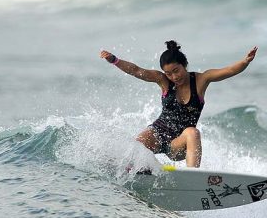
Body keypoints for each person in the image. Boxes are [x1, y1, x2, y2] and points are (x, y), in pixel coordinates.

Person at [100, 41, 258, 168]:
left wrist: (245, 61)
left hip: (179, 143)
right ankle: (135, 170)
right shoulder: (162, 80)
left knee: (193, 132)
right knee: (135, 147)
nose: (174, 76)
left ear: (185, 65)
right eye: (168, 73)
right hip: (158, 133)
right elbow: (136, 70)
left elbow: (229, 70)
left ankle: (192, 178)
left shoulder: (201, 80)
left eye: (176, 70)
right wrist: (115, 60)